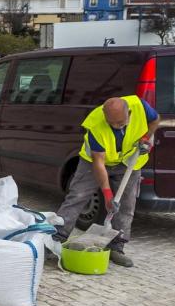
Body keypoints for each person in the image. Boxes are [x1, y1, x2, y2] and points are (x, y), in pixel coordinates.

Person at [53, 95, 158, 267]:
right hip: (93, 162)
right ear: (104, 114)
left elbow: (155, 120)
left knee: (126, 205)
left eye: (121, 122)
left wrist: (146, 138)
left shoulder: (140, 106)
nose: (117, 126)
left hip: (128, 161)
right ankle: (56, 238)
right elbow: (99, 162)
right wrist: (107, 194)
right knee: (77, 196)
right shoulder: (95, 123)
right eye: (113, 123)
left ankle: (117, 246)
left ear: (129, 113)